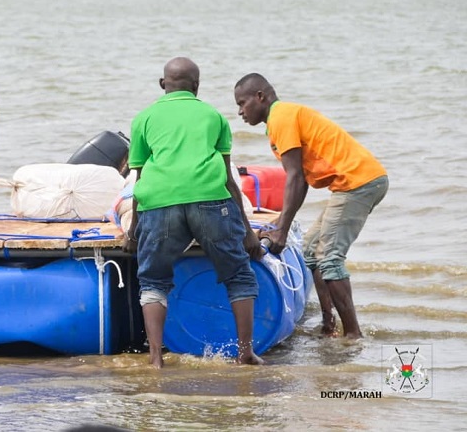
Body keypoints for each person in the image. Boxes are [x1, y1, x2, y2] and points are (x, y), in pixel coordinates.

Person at [123, 57, 265, 367]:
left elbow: (140, 177)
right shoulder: (213, 116)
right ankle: (245, 354)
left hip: (159, 205)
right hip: (210, 202)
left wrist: (133, 230)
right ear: (197, 86)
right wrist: (248, 231)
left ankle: (156, 360)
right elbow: (228, 179)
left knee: (153, 281)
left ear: (163, 85)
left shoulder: (143, 118)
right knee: (239, 275)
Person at [233, 73, 388, 339]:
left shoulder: (281, 117)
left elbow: (294, 176)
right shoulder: (280, 119)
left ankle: (353, 334)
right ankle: (329, 326)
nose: (239, 112)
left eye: (242, 103)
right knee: (310, 251)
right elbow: (300, 179)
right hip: (353, 183)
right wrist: (282, 222)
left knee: (329, 258)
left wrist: (281, 231)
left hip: (358, 183)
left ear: (261, 97)